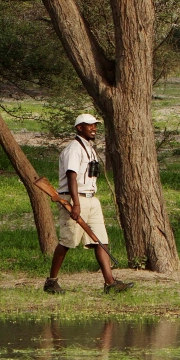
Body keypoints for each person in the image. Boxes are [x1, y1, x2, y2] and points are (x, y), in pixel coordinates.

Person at [43, 114, 132, 294]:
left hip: (91, 198)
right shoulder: (74, 149)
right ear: (79, 128)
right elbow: (71, 176)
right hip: (75, 199)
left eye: (95, 125)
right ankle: (51, 282)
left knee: (100, 240)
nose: (94, 128)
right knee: (68, 241)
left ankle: (110, 283)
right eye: (89, 125)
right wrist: (76, 205)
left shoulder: (89, 148)